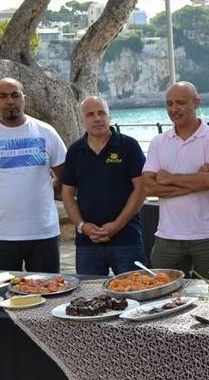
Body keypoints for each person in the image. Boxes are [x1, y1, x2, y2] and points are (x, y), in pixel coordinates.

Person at [0, 77, 67, 273]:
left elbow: (65, 176)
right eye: (2, 96)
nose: (10, 101)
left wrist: (49, 192)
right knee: (3, 296)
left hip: (43, 232)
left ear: (24, 99)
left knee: (50, 292)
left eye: (15, 95)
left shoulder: (46, 132)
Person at [142, 82, 209, 279]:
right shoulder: (159, 142)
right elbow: (147, 186)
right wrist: (197, 181)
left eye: (180, 103)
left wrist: (168, 178)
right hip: (167, 236)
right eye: (169, 103)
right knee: (163, 297)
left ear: (196, 103)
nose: (174, 109)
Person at [61, 96, 147, 275]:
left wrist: (117, 224)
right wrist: (82, 226)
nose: (97, 118)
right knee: (89, 296)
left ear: (110, 116)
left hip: (127, 239)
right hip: (87, 242)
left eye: (101, 113)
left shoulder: (129, 146)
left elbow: (141, 189)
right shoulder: (75, 151)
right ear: (82, 119)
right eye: (90, 114)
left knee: (135, 293)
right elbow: (67, 194)